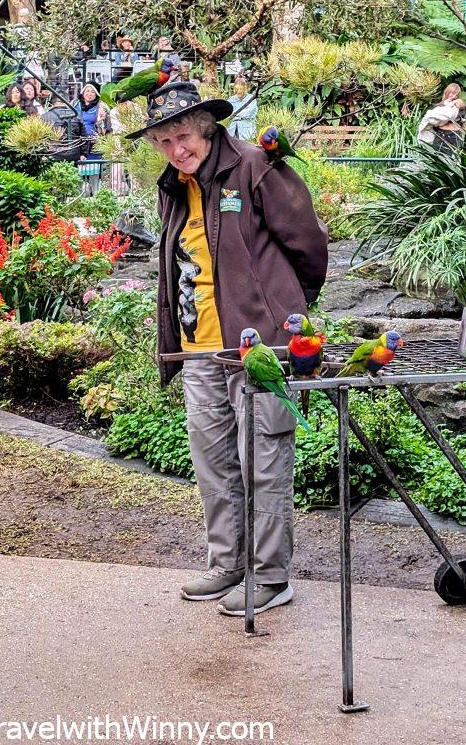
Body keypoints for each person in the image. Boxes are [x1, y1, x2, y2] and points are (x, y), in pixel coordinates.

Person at [128, 80, 328, 616]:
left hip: (259, 348)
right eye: (165, 143)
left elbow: (308, 245)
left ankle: (271, 576)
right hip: (199, 349)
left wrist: (282, 309)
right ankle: (227, 565)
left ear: (208, 127)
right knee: (213, 461)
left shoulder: (253, 166)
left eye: (185, 137)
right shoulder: (174, 185)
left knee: (264, 458)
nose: (177, 151)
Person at [416, 83, 466, 152]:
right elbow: (432, 121)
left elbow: (462, 121)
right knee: (439, 159)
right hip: (441, 137)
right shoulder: (437, 107)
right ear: (447, 92)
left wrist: (460, 107)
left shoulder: (458, 107)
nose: (454, 96)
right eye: (452, 93)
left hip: (455, 137)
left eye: (456, 95)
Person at [228, 76, 258, 141]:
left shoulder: (251, 99)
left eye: (241, 89)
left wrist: (235, 116)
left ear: (245, 88)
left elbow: (249, 112)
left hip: (247, 130)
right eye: (236, 89)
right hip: (233, 130)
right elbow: (228, 114)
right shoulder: (231, 100)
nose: (238, 92)